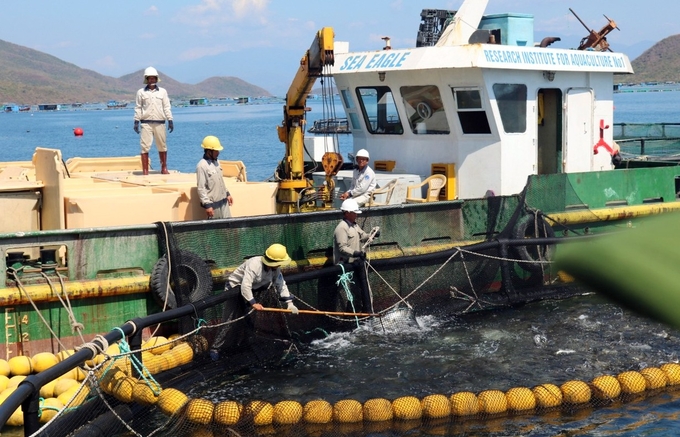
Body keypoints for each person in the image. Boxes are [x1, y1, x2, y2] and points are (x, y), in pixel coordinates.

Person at [210, 243, 299, 360]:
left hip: (255, 289)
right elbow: (245, 286)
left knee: (249, 318)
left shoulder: (275, 269)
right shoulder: (254, 265)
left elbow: (281, 284)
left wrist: (290, 304)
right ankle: (215, 348)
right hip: (235, 288)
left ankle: (245, 341)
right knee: (229, 319)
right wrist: (253, 303)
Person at [333, 198, 376, 313]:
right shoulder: (341, 228)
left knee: (356, 292)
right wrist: (356, 253)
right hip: (346, 267)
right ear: (347, 213)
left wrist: (372, 235)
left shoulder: (354, 226)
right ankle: (348, 317)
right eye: (354, 212)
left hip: (356, 265)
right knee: (348, 294)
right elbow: (342, 248)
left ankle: (357, 313)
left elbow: (363, 236)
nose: (356, 215)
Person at [133, 66, 174, 175]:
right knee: (144, 146)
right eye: (150, 78)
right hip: (146, 123)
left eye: (153, 78)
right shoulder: (141, 92)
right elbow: (138, 107)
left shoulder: (163, 92)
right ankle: (145, 170)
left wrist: (170, 120)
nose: (152, 80)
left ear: (156, 79)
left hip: (160, 122)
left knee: (162, 145)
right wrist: (136, 121)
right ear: (146, 79)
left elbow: (166, 106)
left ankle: (164, 168)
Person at [196, 135, 233, 219]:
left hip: (224, 203)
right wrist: (207, 205)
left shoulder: (217, 162)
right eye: (216, 151)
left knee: (229, 228)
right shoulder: (202, 166)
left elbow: (220, 181)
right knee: (217, 230)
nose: (218, 153)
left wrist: (227, 193)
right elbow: (201, 188)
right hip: (214, 206)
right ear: (209, 151)